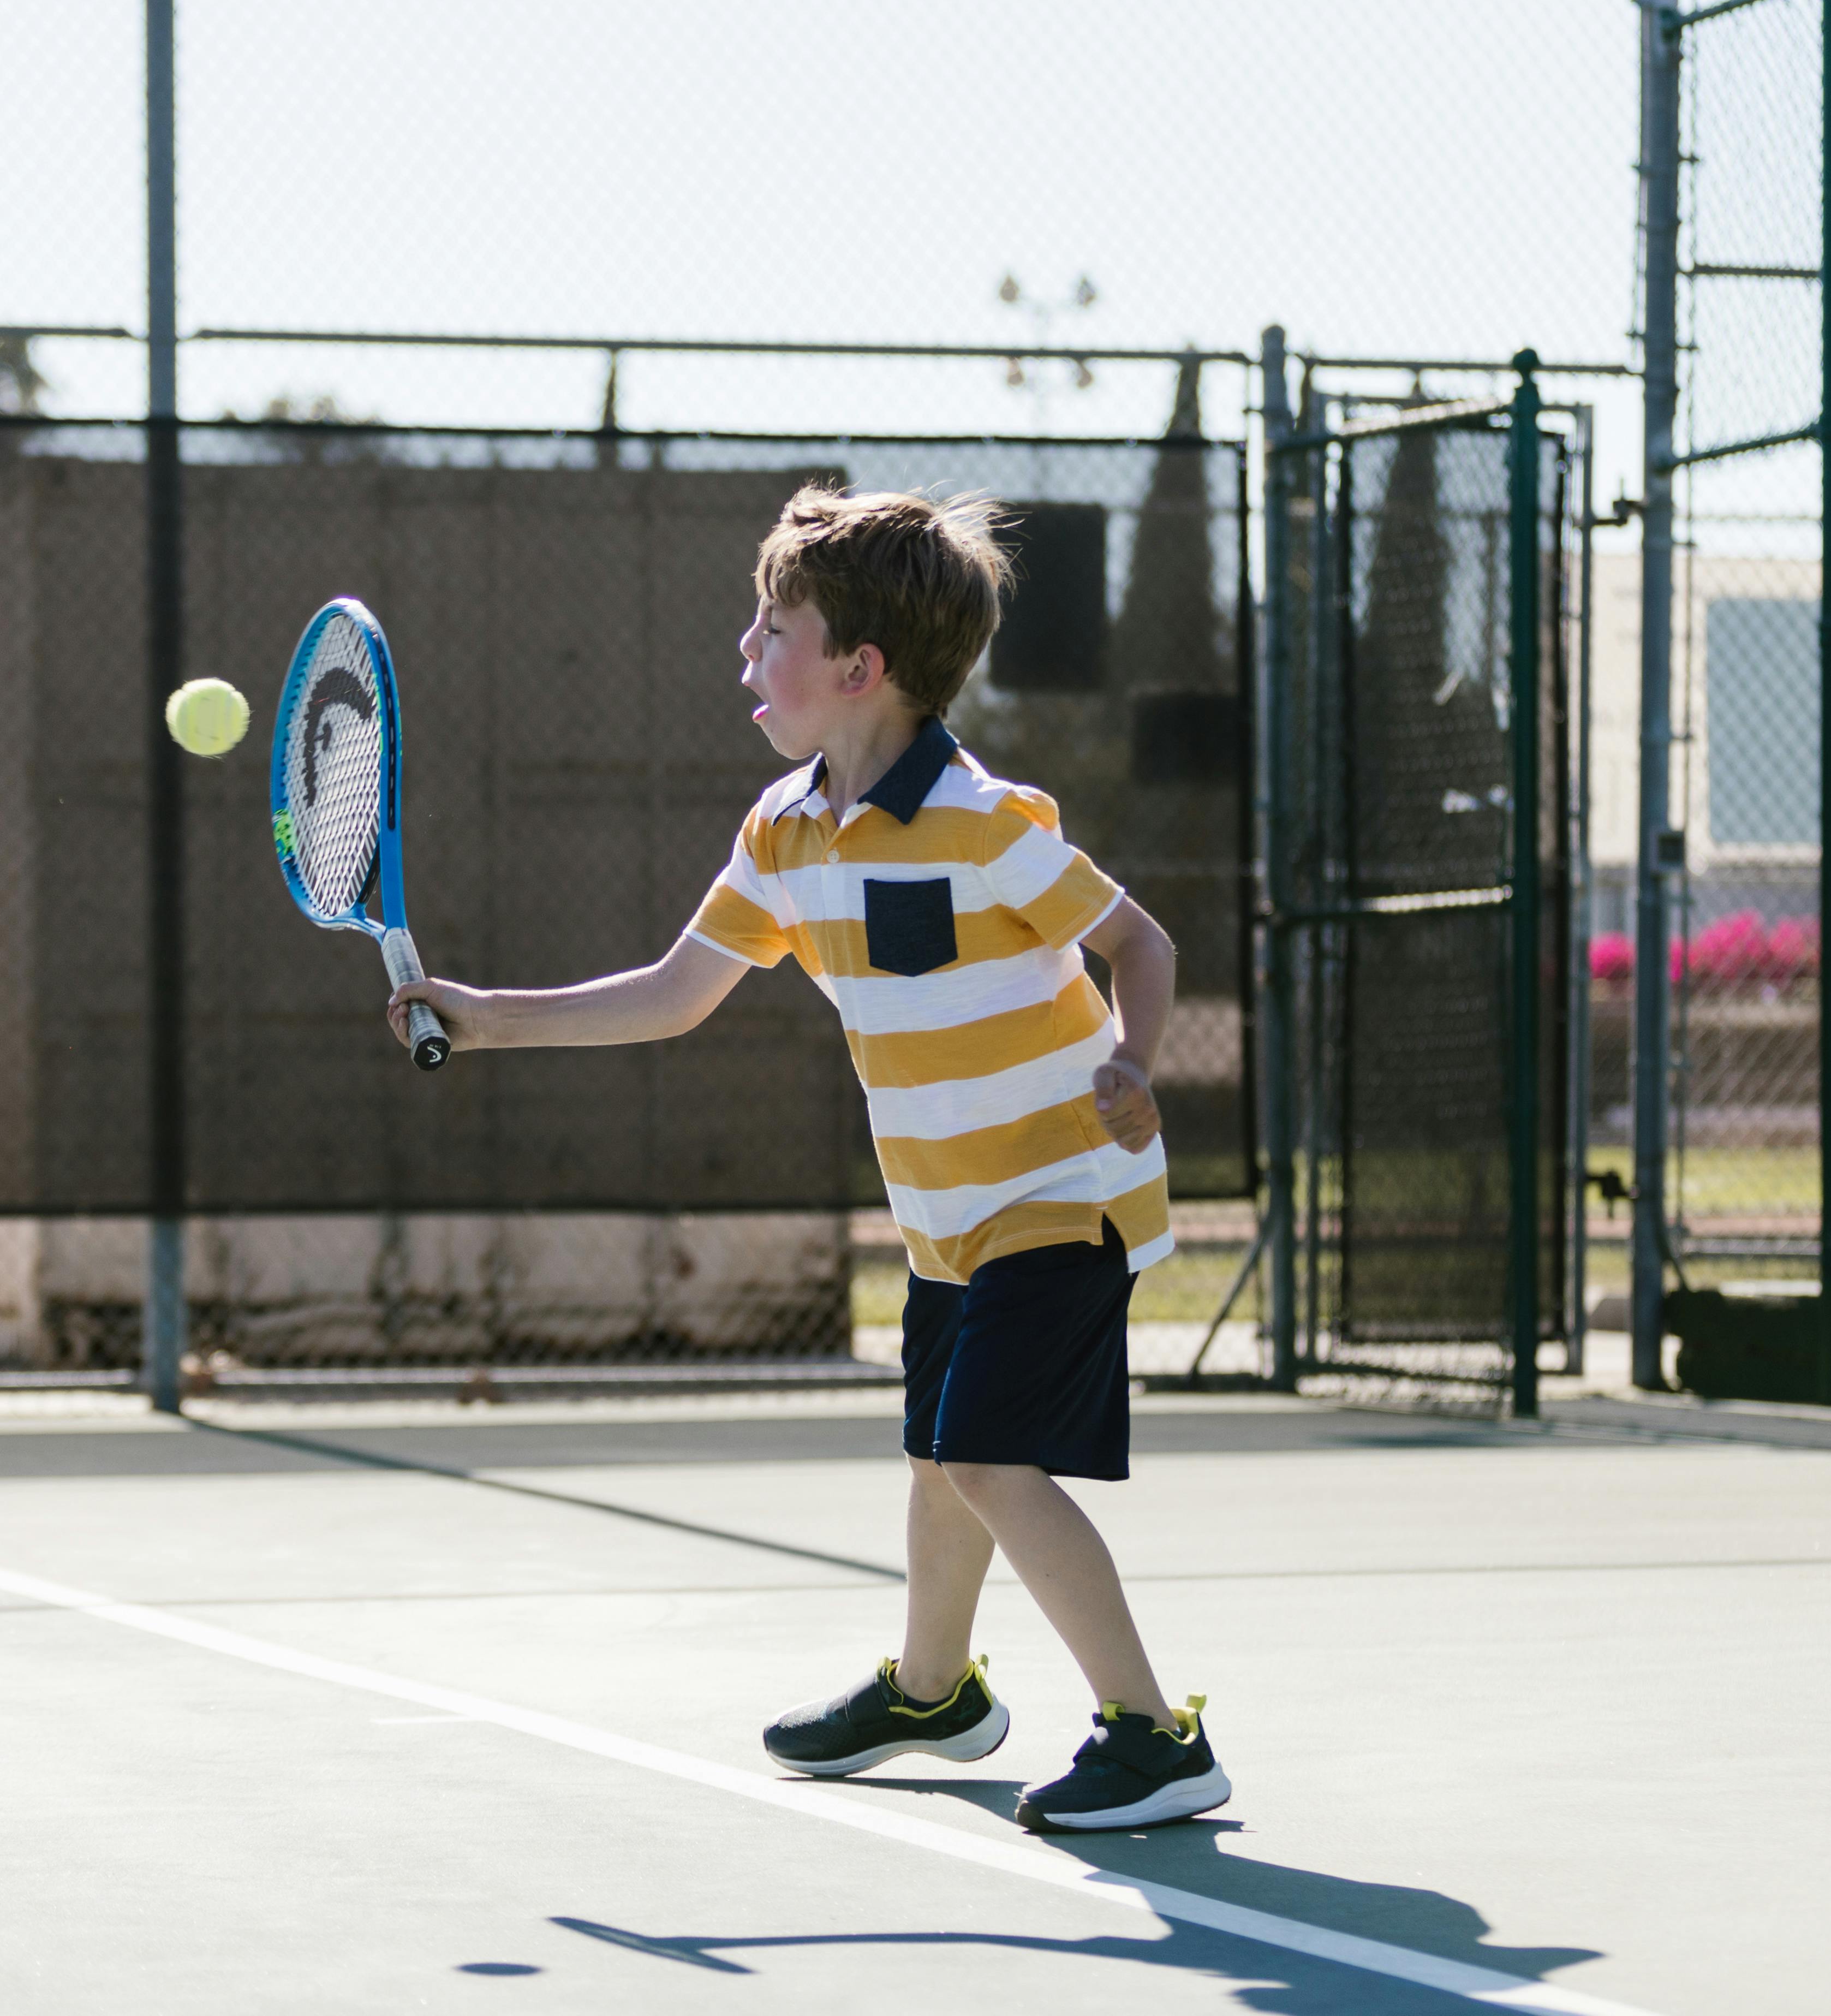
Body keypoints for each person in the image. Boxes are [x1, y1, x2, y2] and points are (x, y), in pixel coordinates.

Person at [386, 485, 1226, 1833]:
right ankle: (934, 1692)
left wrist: (1132, 1061)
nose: (743, 648)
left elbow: (1143, 944)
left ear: (858, 669)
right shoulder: (781, 832)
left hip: (1062, 1188)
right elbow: (673, 990)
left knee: (990, 1456)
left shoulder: (989, 820)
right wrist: (486, 1021)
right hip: (941, 1210)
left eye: (772, 624)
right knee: (937, 1457)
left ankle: (1151, 1735)